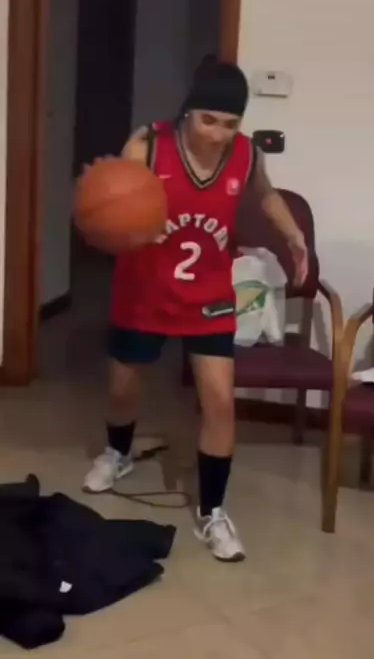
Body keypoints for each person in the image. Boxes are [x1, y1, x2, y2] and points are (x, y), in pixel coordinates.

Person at [83, 58, 309, 562]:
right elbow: (109, 210)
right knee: (122, 390)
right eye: (209, 120)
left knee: (221, 402)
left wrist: (293, 235)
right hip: (145, 289)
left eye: (230, 124)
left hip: (208, 296)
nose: (219, 134)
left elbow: (265, 194)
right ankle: (118, 452)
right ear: (188, 112)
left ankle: (213, 511)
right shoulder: (147, 146)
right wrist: (128, 228)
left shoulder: (245, 155)